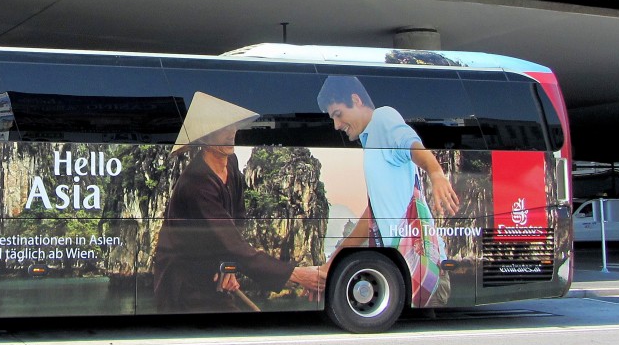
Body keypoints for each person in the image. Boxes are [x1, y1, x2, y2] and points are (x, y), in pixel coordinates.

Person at [153, 92, 326, 313]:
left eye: (231, 126)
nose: (229, 134)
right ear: (204, 138)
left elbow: (237, 222)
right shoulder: (196, 184)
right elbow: (230, 241)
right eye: (220, 129)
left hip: (212, 270)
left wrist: (228, 265)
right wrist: (298, 275)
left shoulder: (231, 162)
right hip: (184, 282)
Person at [316, 75, 459, 306]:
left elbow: (411, 143)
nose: (336, 125)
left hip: (423, 271)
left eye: (338, 114)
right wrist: (332, 261)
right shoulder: (370, 139)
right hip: (404, 273)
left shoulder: (382, 118)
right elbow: (371, 216)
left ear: (356, 99)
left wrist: (435, 172)